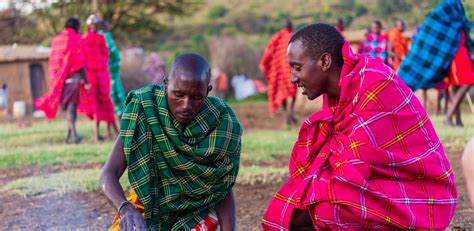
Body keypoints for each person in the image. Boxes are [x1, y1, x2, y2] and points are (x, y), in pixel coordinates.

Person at [262, 23, 456, 230]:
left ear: (325, 61)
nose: (292, 78)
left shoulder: (375, 84)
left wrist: (313, 191)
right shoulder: (340, 90)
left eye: (297, 68)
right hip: (380, 184)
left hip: (422, 196)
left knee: (322, 210)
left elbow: (356, 166)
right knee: (284, 212)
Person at [100, 53, 242, 230]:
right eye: (178, 94)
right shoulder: (144, 109)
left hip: (199, 209)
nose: (185, 105)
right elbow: (108, 174)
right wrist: (125, 208)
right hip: (148, 204)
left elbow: (221, 188)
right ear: (166, 85)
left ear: (208, 91)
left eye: (196, 97)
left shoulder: (220, 122)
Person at [397, 0, 472, 127]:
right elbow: (436, 26)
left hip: (458, 50)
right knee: (468, 82)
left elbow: (459, 28)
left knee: (456, 87)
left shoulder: (456, 5)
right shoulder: (448, 5)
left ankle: (458, 120)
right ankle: (448, 118)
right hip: (455, 52)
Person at [34, 17, 86, 144]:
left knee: (69, 108)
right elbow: (80, 62)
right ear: (76, 26)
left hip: (59, 80)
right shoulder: (76, 39)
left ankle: (68, 137)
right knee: (72, 108)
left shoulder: (56, 40)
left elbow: (53, 61)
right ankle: (75, 136)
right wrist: (86, 79)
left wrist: (56, 78)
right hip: (73, 78)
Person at [81, 15, 118, 142]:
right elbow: (83, 60)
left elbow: (105, 56)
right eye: (92, 24)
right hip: (93, 76)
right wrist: (85, 79)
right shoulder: (85, 39)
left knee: (106, 102)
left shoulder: (100, 38)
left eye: (96, 24)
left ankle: (113, 132)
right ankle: (98, 134)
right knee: (96, 103)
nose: (94, 26)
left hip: (102, 75)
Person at [260, 20, 297, 125]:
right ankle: (291, 111)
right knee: (293, 92)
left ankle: (286, 114)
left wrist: (264, 65)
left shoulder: (276, 38)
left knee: (282, 93)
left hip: (279, 71)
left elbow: (268, 53)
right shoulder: (294, 37)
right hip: (291, 69)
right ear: (291, 27)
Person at [97, 20, 126, 118]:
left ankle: (114, 127)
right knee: (113, 98)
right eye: (106, 26)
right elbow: (113, 54)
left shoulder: (101, 36)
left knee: (112, 98)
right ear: (102, 27)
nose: (108, 27)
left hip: (110, 73)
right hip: (109, 73)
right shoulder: (105, 36)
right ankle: (115, 125)